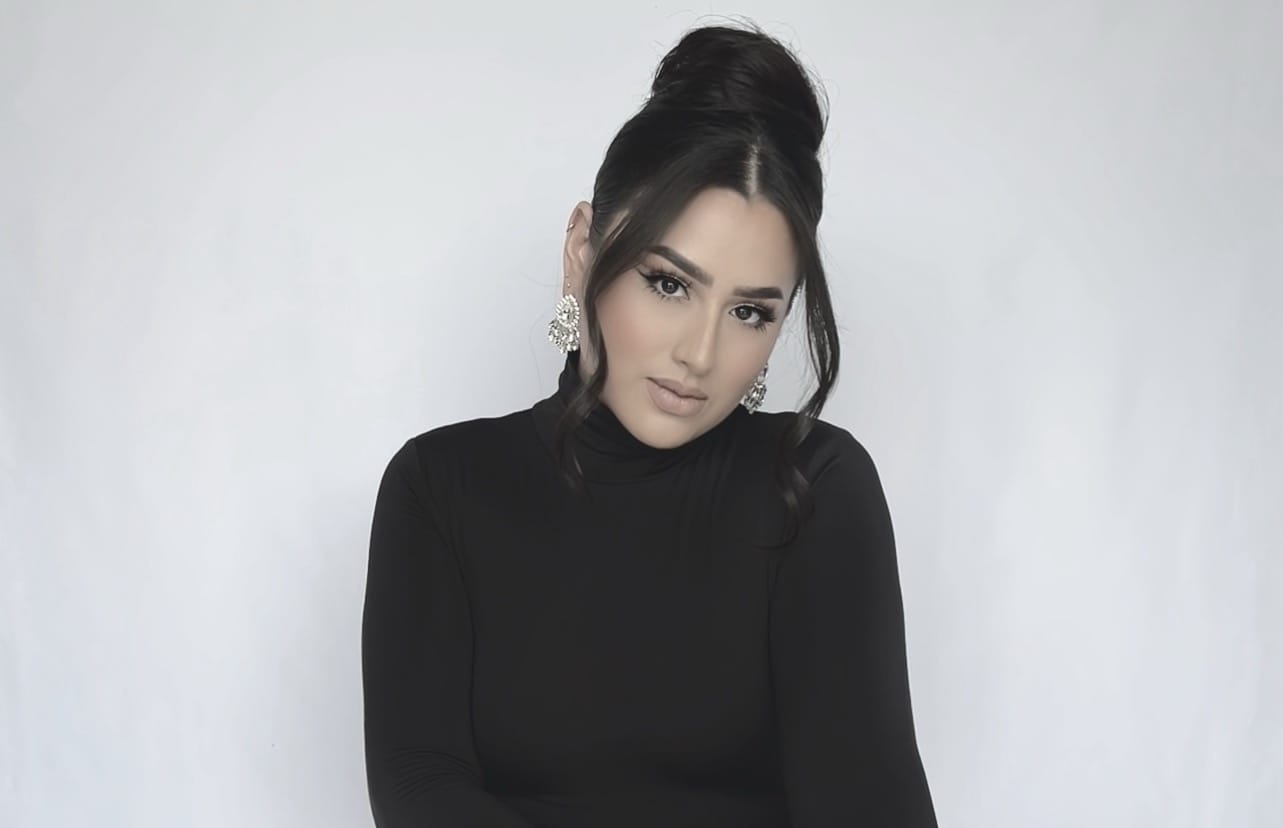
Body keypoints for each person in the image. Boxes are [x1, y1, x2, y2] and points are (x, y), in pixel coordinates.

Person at [360, 21, 938, 828]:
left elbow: (869, 805)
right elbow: (419, 790)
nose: (699, 354)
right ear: (582, 248)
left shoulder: (811, 487)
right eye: (668, 284)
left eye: (748, 311)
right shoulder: (442, 487)